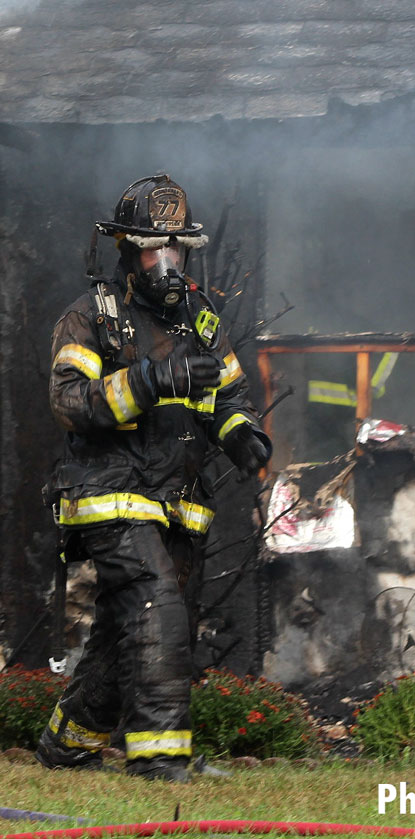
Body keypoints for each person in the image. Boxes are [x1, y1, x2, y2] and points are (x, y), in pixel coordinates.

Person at [36, 174, 271, 782]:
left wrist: (241, 432)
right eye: (152, 249)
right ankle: (161, 758)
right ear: (126, 253)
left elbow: (229, 393)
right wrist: (149, 381)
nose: (167, 262)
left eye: (176, 249)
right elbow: (70, 402)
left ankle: (66, 746)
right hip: (109, 494)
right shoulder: (90, 318)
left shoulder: (202, 319)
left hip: (176, 502)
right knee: (157, 609)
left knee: (128, 633)